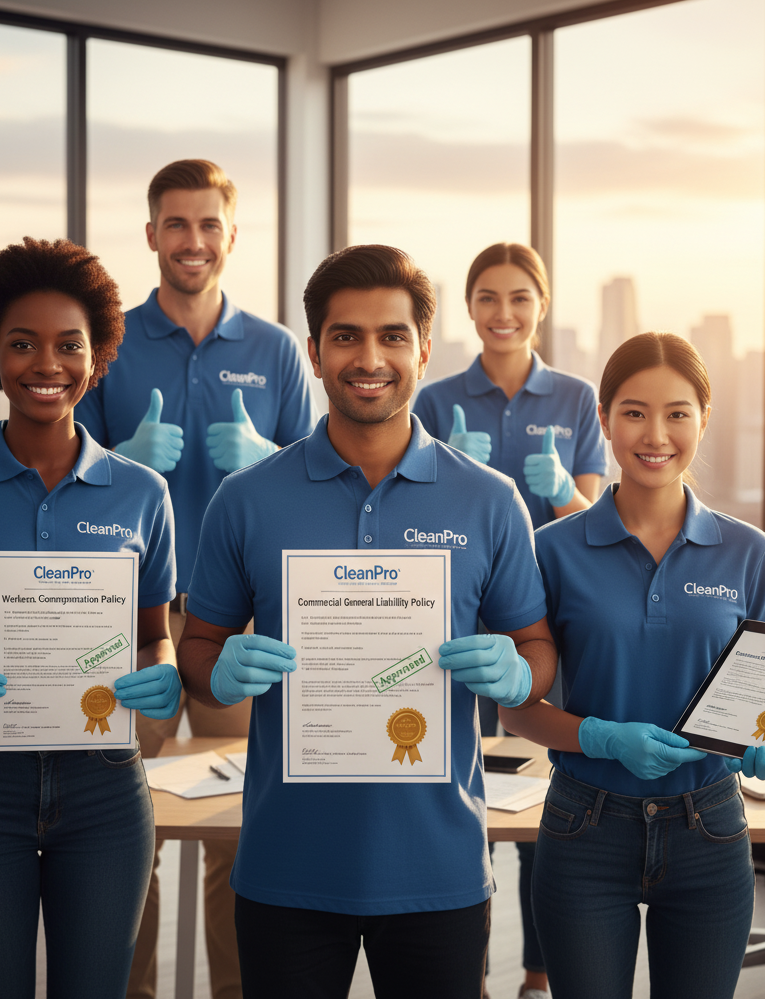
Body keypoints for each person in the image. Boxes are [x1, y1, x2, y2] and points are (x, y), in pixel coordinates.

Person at [178, 243, 559, 999]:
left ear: (423, 347)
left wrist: (519, 675)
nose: (369, 357)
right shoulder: (246, 501)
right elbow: (199, 647)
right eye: (345, 336)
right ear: (314, 353)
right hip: (286, 866)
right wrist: (216, 673)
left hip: (439, 868)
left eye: (392, 336)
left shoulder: (489, 501)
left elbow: (537, 649)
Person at [0, 238, 181, 999]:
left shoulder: (142, 494)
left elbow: (156, 635)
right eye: (22, 344)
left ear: (99, 353)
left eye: (68, 344)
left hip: (106, 785)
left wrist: (167, 673)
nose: (47, 364)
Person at [74, 159, 318, 999]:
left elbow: (320, 492)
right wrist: (115, 462)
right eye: (176, 224)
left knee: (235, 825)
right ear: (151, 236)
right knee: (115, 823)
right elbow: (64, 487)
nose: (193, 240)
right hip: (127, 611)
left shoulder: (278, 350)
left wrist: (272, 461)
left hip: (234, 618)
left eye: (209, 224)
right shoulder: (107, 346)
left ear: (231, 236)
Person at [499, 331, 765, 999]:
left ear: (704, 418)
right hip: (584, 828)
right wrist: (601, 737)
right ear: (603, 419)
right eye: (633, 412)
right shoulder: (552, 551)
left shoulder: (747, 551)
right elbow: (515, 708)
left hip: (710, 827)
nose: (655, 434)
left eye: (677, 413)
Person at [413, 242, 606, 999]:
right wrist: (453, 475)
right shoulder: (434, 398)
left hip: (544, 618)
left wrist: (560, 485)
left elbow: (590, 524)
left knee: (542, 793)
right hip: (459, 613)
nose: (504, 313)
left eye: (520, 298)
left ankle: (537, 974)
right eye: (488, 297)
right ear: (469, 308)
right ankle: (473, 973)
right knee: (467, 789)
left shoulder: (577, 398)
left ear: (542, 306)